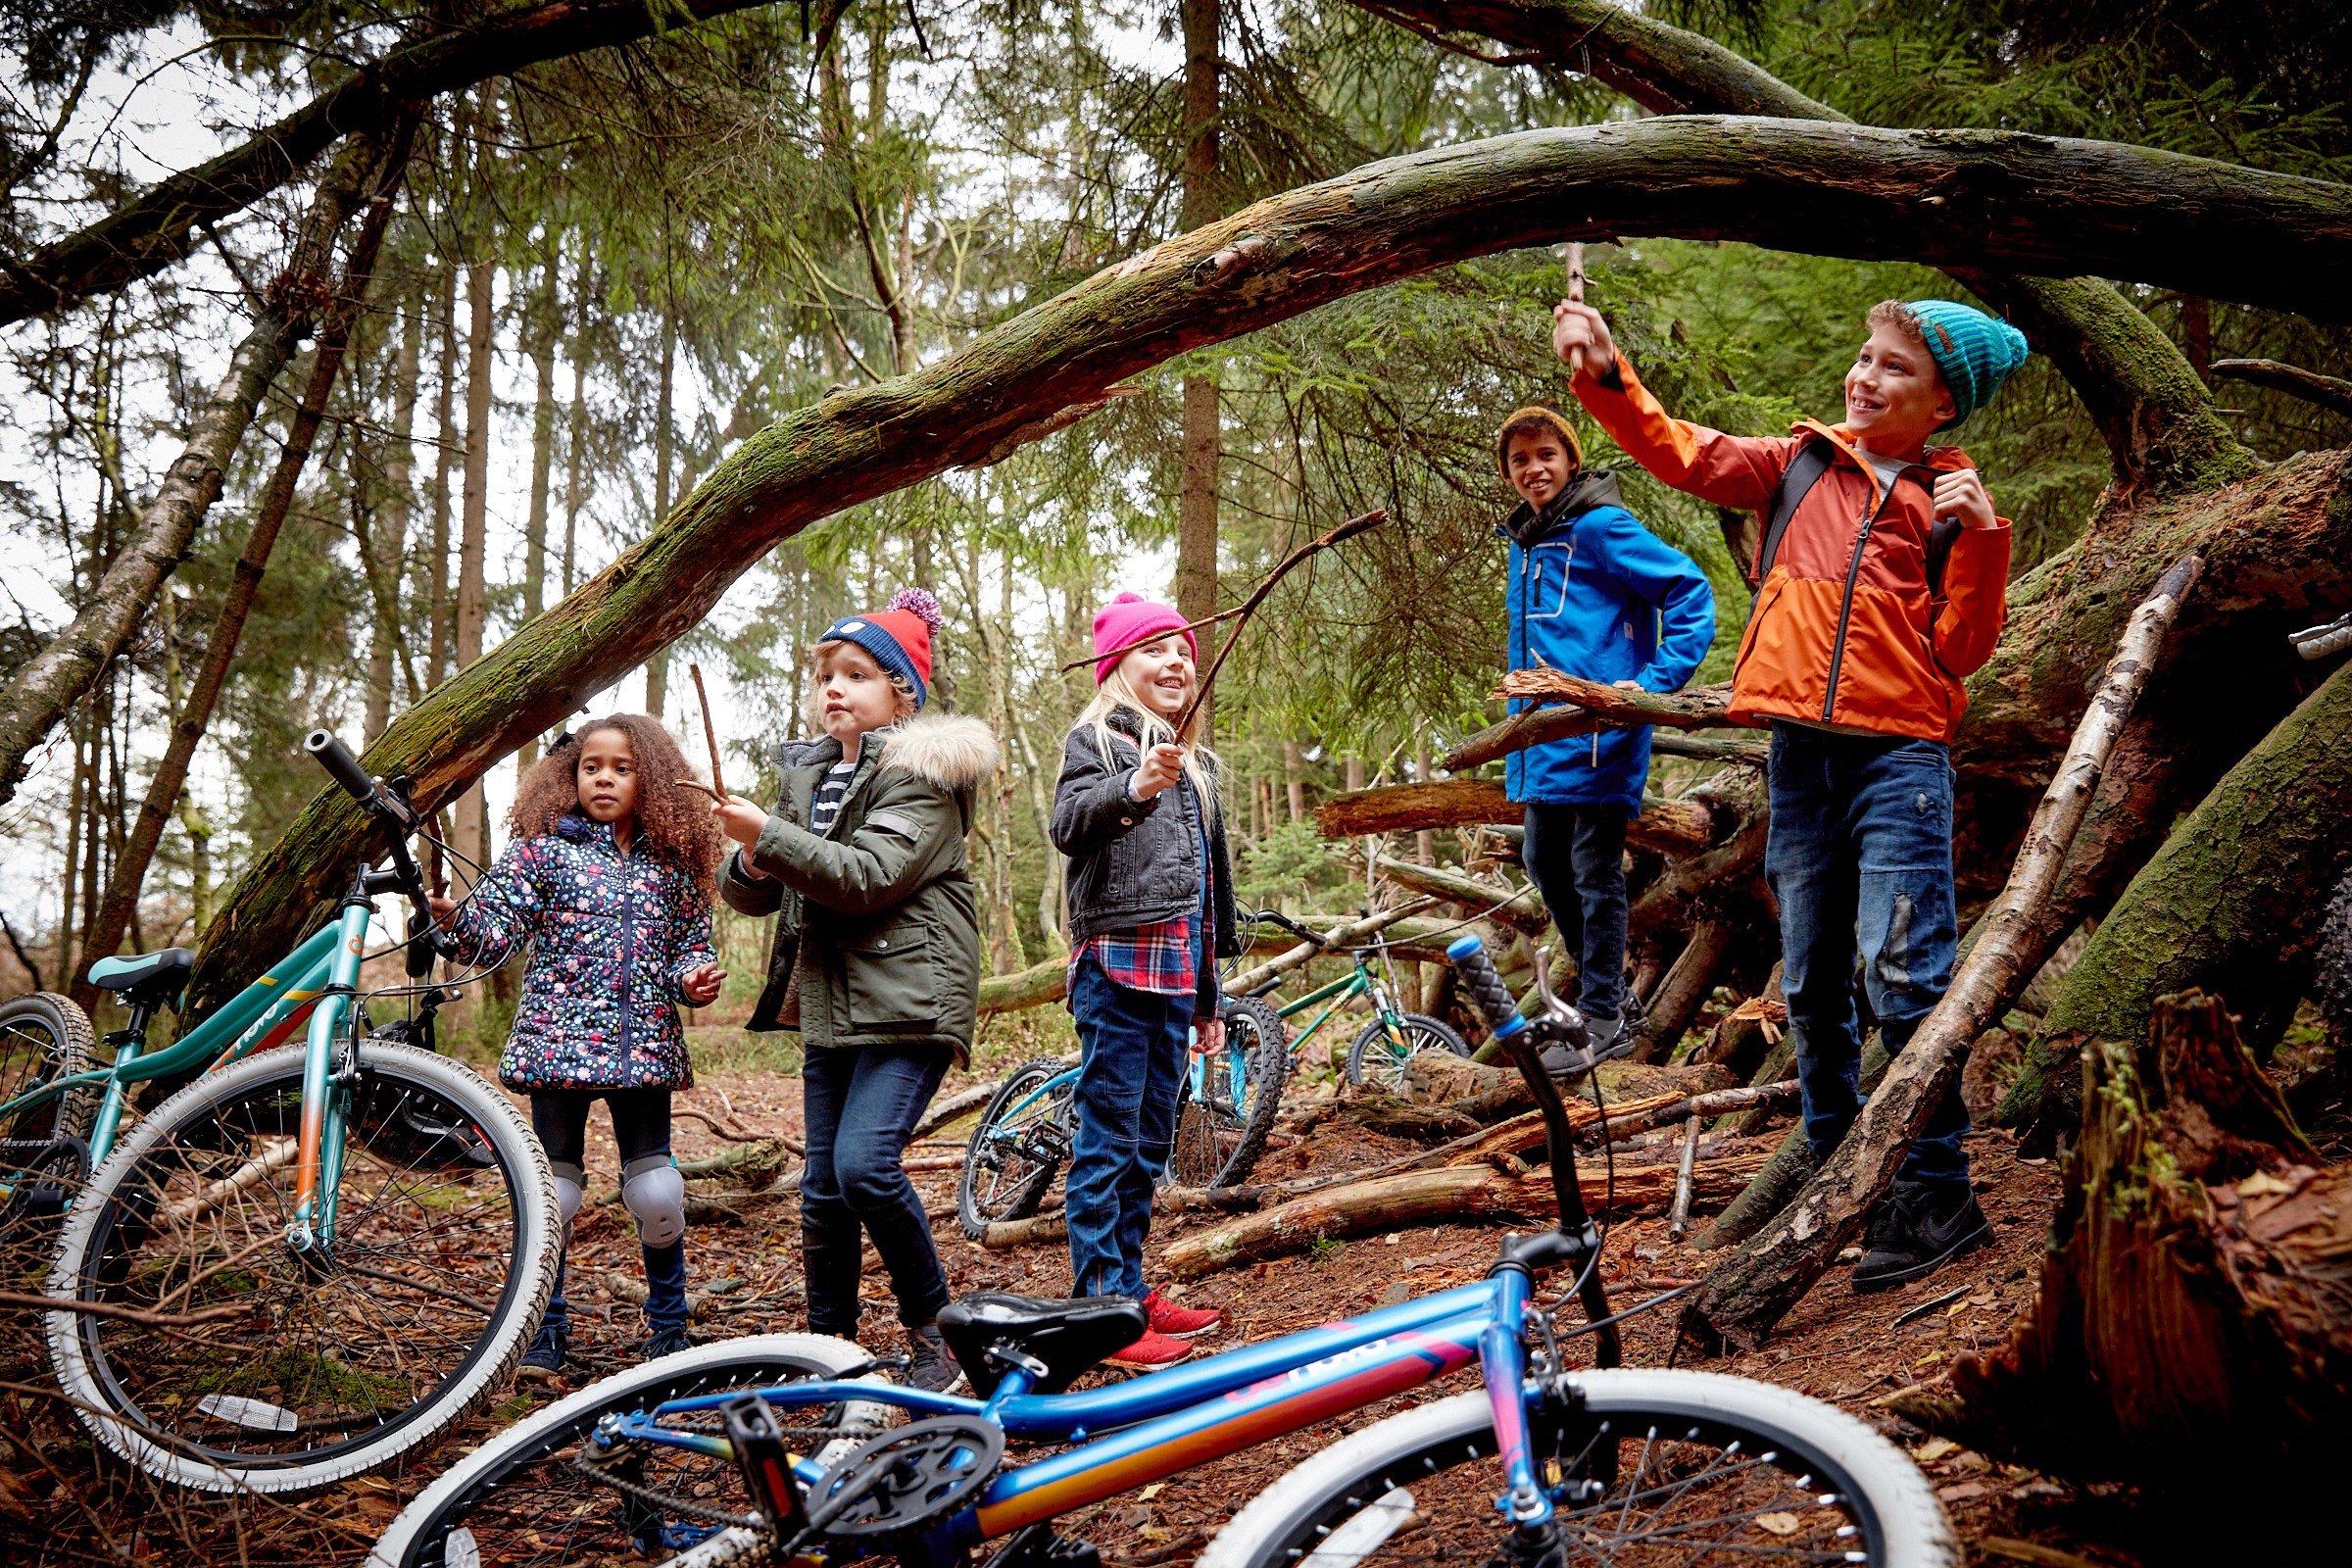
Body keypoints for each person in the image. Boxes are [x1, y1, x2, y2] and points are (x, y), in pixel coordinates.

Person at [1550, 294, 2028, 1291]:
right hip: (1799, 761)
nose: (1865, 375)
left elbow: (1966, 650)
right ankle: (1839, 1180)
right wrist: (1604, 372)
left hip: (1901, 759)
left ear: (1943, 404)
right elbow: (1683, 452)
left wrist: (1983, 542)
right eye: (1864, 354)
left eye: (1895, 367)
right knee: (1809, 985)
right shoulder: (1796, 464)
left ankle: (1935, 1191)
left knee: (1904, 974)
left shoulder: (1950, 504)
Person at [713, 589, 998, 1395]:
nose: (834, 688)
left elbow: (867, 878)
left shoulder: (924, 776)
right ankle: (827, 1349)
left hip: (910, 1002)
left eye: (859, 675)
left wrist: (767, 835)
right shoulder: (809, 779)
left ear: (902, 694)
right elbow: (763, 894)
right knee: (823, 1190)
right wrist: (751, 859)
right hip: (833, 1002)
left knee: (865, 1166)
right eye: (827, 676)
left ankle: (938, 1332)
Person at [432, 714, 726, 1376]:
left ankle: (670, 1330)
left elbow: (689, 948)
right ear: (570, 774)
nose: (605, 778)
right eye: (592, 765)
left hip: (643, 1046)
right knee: (554, 1197)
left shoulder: (672, 865)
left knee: (656, 1193)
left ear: (647, 778)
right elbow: (494, 931)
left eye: (622, 768)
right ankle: (544, 1330)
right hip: (555, 1046)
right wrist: (455, 924)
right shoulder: (542, 852)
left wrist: (696, 978)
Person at [1494, 405, 1715, 1070]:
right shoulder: (1527, 540)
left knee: (1592, 869)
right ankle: (1612, 996)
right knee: (1542, 863)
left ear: (1571, 460)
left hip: (1601, 731)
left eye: (1547, 455)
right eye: (1520, 459)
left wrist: (1650, 687)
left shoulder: (1601, 527)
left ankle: (1603, 1018)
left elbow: (1688, 591)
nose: (1535, 468)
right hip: (1544, 739)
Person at [1049, 593, 1237, 1369]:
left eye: (1183, 651)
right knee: (1109, 1137)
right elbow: (1069, 826)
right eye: (1154, 648)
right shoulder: (1096, 742)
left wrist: (1207, 998)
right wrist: (1135, 788)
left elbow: (1203, 892)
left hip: (1174, 979)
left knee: (1148, 1143)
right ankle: (1102, 1309)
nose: (1175, 662)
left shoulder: (1199, 766)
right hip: (1118, 972)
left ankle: (1127, 1288)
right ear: (1117, 667)